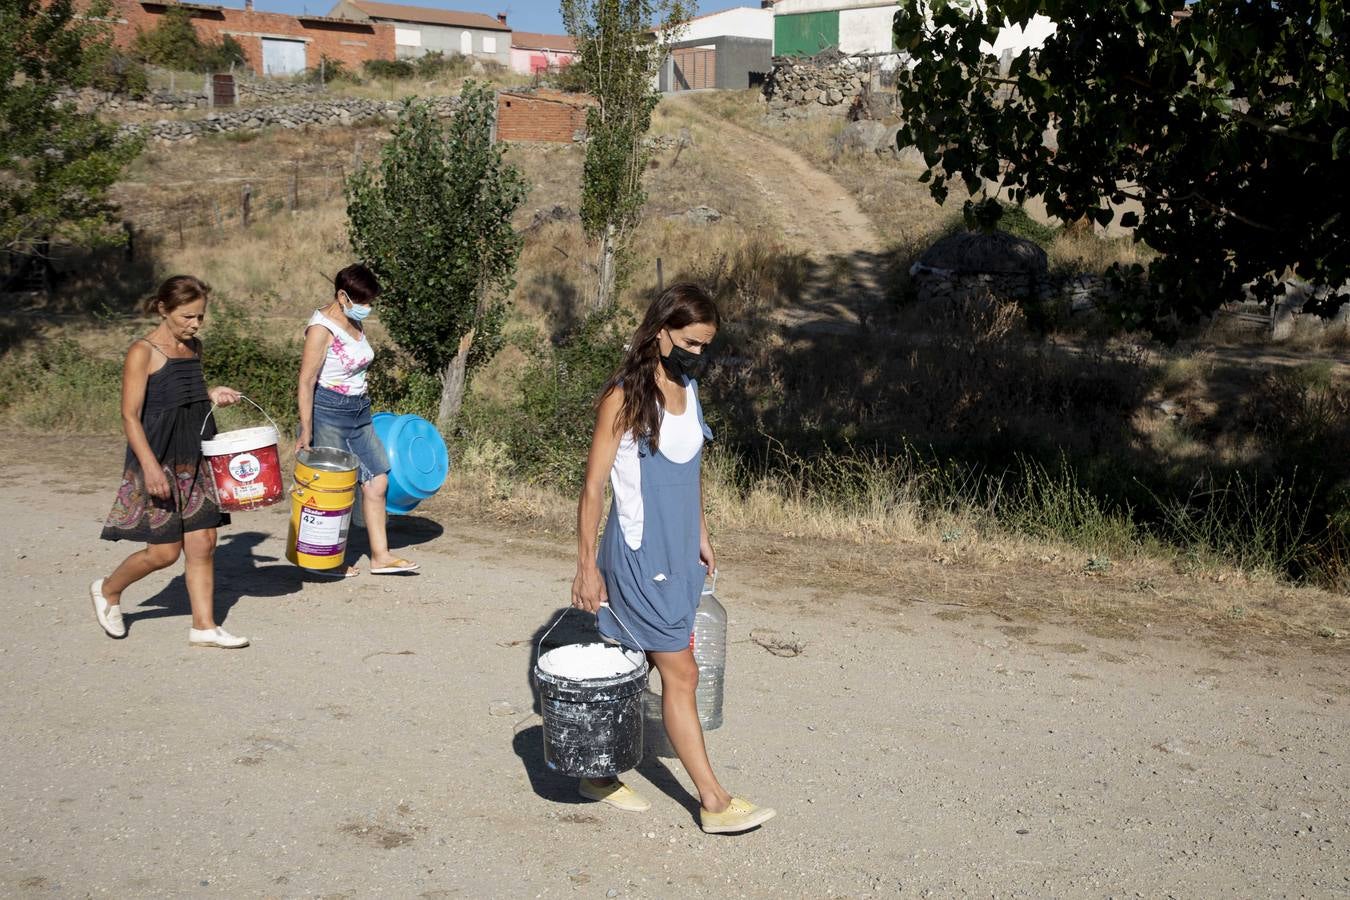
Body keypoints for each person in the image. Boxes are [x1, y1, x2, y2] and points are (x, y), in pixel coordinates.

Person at [571, 282, 776, 835]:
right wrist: (587, 565)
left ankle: (596, 769)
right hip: (639, 554)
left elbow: (691, 470)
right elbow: (593, 488)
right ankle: (713, 800)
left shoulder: (688, 388)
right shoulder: (624, 396)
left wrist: (702, 532)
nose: (697, 354)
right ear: (660, 331)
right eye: (690, 342)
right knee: (680, 672)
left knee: (631, 661)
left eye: (705, 346)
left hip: (681, 552)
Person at [91, 275, 249, 649]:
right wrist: (148, 467)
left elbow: (188, 396)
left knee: (204, 542)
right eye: (187, 317)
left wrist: (213, 394)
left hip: (195, 453)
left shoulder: (194, 348)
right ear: (163, 309)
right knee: (163, 552)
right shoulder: (142, 352)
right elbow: (130, 415)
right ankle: (108, 590)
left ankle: (204, 626)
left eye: (200, 317)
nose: (195, 325)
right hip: (158, 457)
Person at [295, 263, 417, 577]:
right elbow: (306, 380)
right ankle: (324, 558)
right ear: (342, 295)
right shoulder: (321, 328)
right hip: (329, 411)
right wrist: (306, 430)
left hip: (359, 410)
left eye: (369, 302)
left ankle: (381, 556)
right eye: (361, 302)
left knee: (378, 481)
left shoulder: (352, 319)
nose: (367, 308)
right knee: (334, 490)